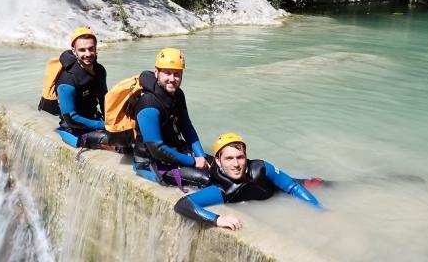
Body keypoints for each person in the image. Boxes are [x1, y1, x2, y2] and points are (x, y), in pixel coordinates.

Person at [174, 132, 325, 230]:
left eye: (240, 157)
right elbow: (183, 204)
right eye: (229, 158)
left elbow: (292, 187)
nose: (236, 164)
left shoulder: (261, 168)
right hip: (267, 194)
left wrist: (319, 209)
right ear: (218, 162)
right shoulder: (222, 190)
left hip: (279, 189)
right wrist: (217, 219)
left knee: (323, 185)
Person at [132, 48, 211, 189]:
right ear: (157, 73)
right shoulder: (149, 103)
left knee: (221, 167)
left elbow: (187, 127)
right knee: (207, 179)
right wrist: (193, 162)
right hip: (150, 162)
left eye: (177, 74)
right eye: (167, 73)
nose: (172, 79)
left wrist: (201, 156)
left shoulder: (178, 94)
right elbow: (156, 148)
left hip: (175, 153)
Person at [55, 27, 110, 149]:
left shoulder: (100, 70)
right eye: (82, 50)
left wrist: (112, 121)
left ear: (96, 48)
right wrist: (102, 125)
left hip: (93, 118)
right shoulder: (67, 81)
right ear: (74, 51)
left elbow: (104, 99)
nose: (88, 54)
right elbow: (71, 118)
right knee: (116, 143)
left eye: (91, 49)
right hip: (73, 128)